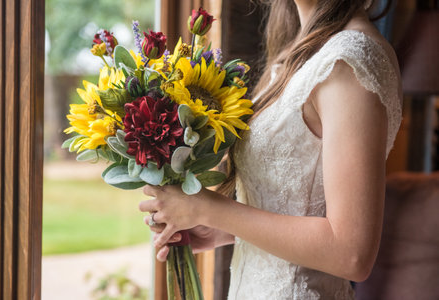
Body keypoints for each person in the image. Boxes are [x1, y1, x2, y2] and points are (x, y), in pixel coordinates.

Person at [139, 0, 403, 298]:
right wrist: (223, 229)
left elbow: (350, 253)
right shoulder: (306, 52)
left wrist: (208, 208)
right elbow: (301, 205)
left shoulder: (349, 61)